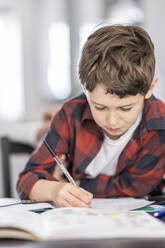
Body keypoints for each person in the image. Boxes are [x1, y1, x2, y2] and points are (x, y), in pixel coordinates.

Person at [17, 24, 165, 208]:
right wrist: (54, 190)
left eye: (125, 108)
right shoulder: (71, 113)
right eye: (100, 107)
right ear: (86, 90)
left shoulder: (160, 124)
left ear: (150, 88)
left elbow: (137, 187)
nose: (111, 121)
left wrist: (76, 185)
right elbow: (26, 181)